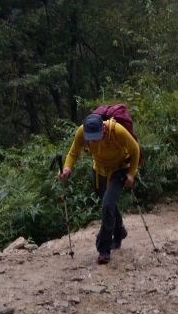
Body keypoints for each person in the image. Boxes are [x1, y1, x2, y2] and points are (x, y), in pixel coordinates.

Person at [58, 112, 140, 265]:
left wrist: (131, 174)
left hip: (119, 169)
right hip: (99, 170)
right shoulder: (82, 132)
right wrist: (67, 169)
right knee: (107, 202)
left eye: (97, 137)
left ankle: (104, 249)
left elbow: (135, 149)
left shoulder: (118, 131)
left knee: (107, 204)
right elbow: (73, 152)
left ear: (104, 129)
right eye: (91, 138)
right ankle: (119, 231)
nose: (94, 141)